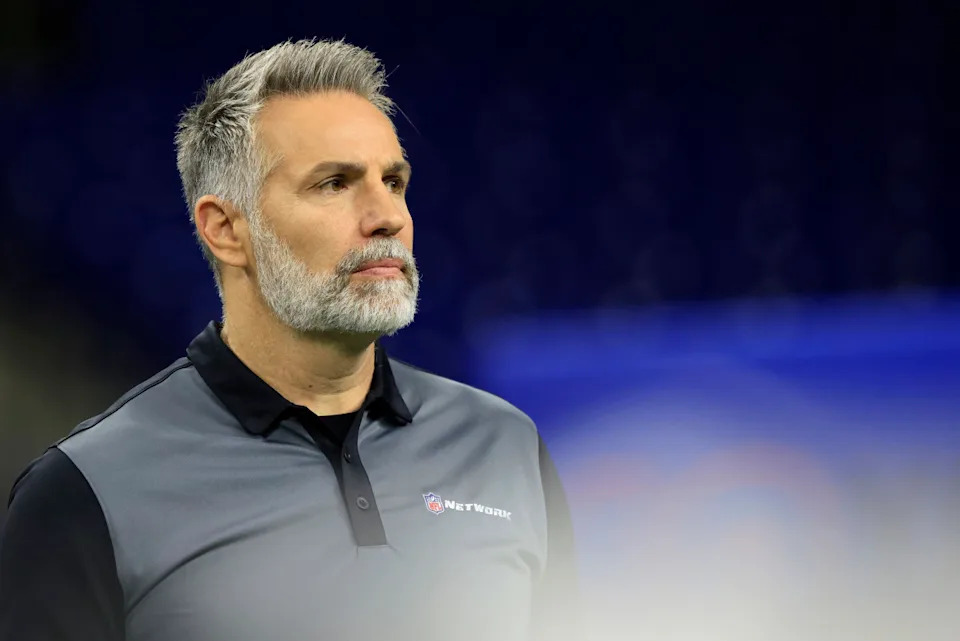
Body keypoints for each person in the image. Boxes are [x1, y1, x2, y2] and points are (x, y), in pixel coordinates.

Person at [0, 39, 581, 641]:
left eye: (394, 181)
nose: (388, 216)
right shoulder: (85, 492)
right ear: (224, 229)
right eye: (334, 183)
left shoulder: (506, 447)